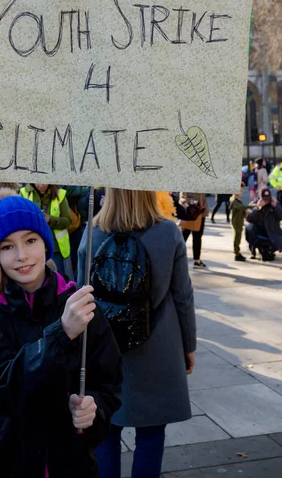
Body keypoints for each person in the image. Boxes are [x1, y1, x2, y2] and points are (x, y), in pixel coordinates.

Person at [0, 191, 122, 478]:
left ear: (45, 243)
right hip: (9, 459)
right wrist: (61, 335)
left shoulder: (79, 304)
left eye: (30, 240)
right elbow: (1, 390)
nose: (21, 255)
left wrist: (94, 408)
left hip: (71, 461)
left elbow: (109, 382)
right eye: (6, 246)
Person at [78, 188, 196, 478]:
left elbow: (79, 295)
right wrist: (189, 346)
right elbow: (183, 296)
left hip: (106, 349)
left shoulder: (92, 233)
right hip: (159, 347)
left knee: (104, 432)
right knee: (152, 436)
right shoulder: (169, 233)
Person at [19, 183, 72, 278]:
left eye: (44, 182)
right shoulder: (24, 193)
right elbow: (19, 219)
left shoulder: (60, 194)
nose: (41, 185)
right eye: (38, 181)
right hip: (31, 247)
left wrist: (51, 220)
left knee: (57, 278)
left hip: (55, 248)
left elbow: (68, 221)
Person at [246, 187, 282, 260]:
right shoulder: (254, 204)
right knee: (249, 228)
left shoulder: (274, 205)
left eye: (267, 199)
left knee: (268, 256)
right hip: (258, 232)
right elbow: (248, 218)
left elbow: (281, 216)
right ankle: (255, 250)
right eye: (264, 199)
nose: (266, 201)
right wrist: (257, 208)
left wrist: (276, 206)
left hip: (271, 232)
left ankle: (270, 250)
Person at [180, 192, 208, 268]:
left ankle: (174, 257)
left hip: (188, 211)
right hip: (199, 212)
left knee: (183, 237)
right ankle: (196, 260)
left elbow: (183, 197)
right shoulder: (201, 183)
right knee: (196, 237)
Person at [230, 182, 252, 262]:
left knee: (238, 237)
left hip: (239, 221)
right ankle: (237, 253)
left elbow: (241, 210)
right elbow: (240, 207)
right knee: (237, 238)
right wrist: (251, 206)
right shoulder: (234, 200)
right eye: (240, 190)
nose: (241, 192)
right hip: (236, 222)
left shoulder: (237, 199)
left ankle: (237, 252)